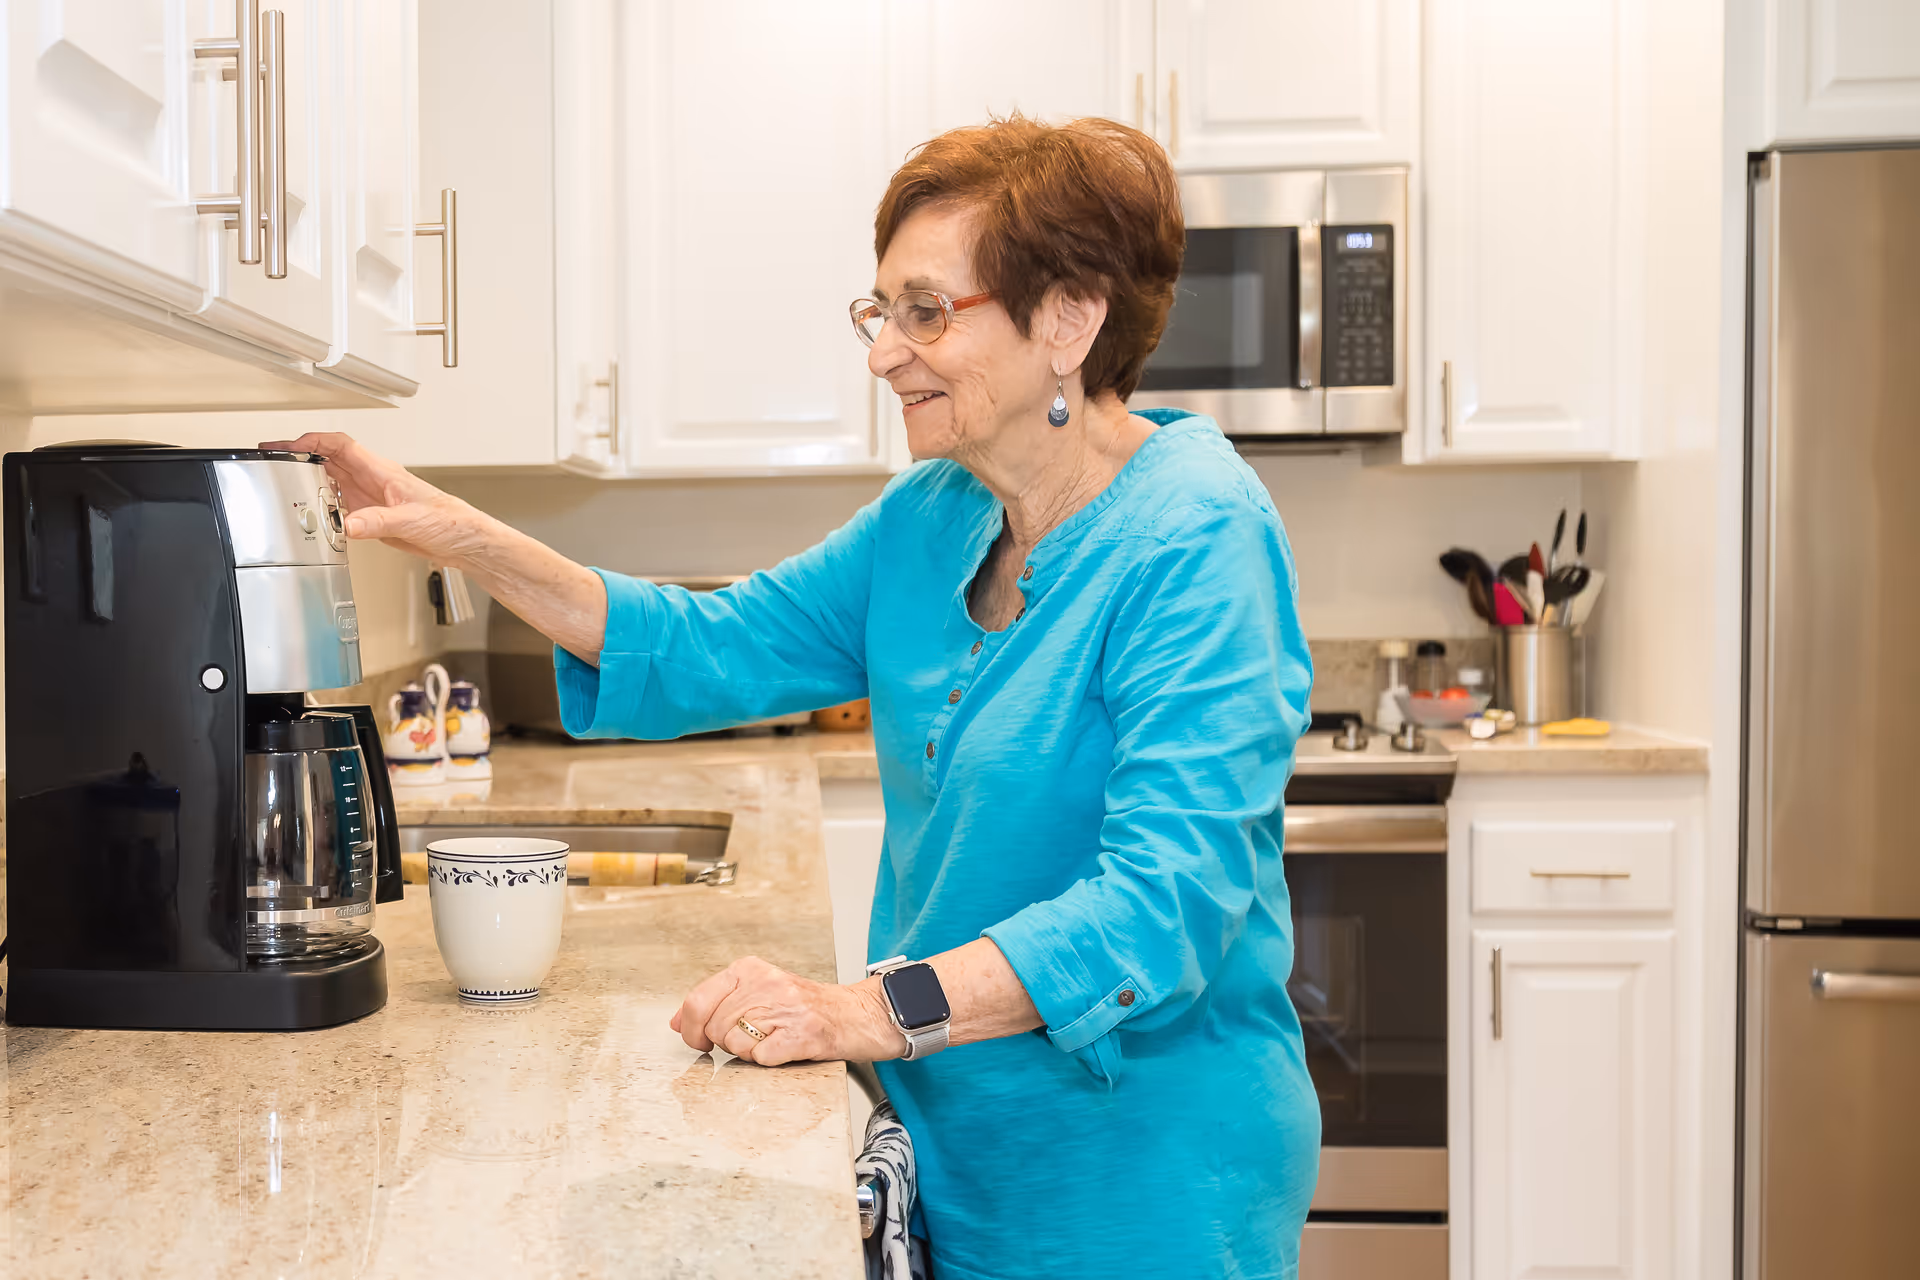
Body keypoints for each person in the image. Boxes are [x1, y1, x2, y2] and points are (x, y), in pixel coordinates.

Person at [269, 114, 1318, 1279]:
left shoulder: (1196, 534)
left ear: (1068, 319)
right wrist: (460, 533)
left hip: (1138, 1182)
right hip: (946, 1138)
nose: (883, 353)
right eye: (880, 312)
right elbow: (707, 644)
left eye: (927, 311)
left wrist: (858, 1011)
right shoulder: (938, 517)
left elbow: (1160, 907)